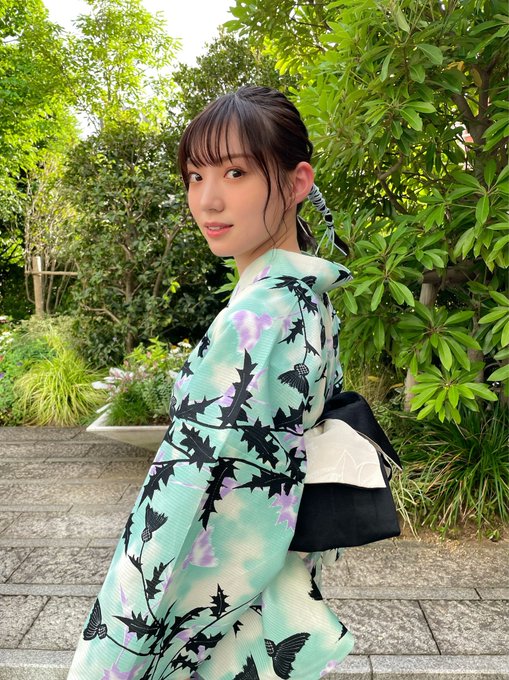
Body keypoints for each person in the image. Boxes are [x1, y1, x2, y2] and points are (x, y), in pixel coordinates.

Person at [68, 85, 354, 680]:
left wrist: (110, 653)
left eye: (235, 172)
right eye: (195, 177)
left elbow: (188, 498)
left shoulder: (260, 318)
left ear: (297, 183)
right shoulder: (308, 298)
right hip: (265, 605)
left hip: (221, 630)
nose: (208, 199)